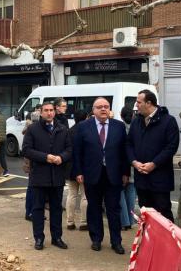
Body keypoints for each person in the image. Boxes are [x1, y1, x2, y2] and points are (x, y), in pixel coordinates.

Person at [73, 97, 130, 255]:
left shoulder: (119, 126)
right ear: (93, 110)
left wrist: (126, 172)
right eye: (100, 107)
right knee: (94, 208)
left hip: (114, 174)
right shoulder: (84, 127)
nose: (103, 109)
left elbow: (124, 152)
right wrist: (78, 172)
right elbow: (77, 151)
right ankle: (96, 239)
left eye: (106, 106)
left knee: (114, 209)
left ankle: (116, 241)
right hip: (92, 174)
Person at [23, 102, 72, 250]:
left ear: (55, 112)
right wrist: (46, 157)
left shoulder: (63, 129)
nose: (49, 113)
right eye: (46, 110)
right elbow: (26, 150)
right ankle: (39, 238)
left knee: (56, 209)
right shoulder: (33, 129)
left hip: (57, 176)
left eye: (51, 110)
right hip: (39, 176)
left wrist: (61, 157)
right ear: (41, 112)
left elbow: (70, 149)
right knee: (38, 208)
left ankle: (57, 237)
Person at [127, 89, 180, 222]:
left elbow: (171, 147)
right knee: (145, 214)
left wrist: (154, 164)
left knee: (163, 215)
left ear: (149, 103)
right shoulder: (136, 121)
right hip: (141, 178)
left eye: (139, 102)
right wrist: (134, 162)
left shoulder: (168, 121)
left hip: (160, 179)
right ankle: (148, 242)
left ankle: (167, 243)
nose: (136, 105)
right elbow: (128, 144)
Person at [66, 109, 88, 231]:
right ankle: (84, 222)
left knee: (72, 194)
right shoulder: (86, 130)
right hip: (84, 167)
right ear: (85, 117)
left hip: (70, 167)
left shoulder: (69, 131)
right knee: (85, 196)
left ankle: (70, 222)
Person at [119, 106, 136, 231]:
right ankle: (130, 220)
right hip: (135, 164)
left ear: (121, 116)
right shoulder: (137, 128)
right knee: (131, 193)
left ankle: (124, 221)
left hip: (122, 165)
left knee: (119, 194)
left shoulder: (119, 129)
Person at [23, 106, 41, 221]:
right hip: (33, 165)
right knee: (32, 189)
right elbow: (29, 150)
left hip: (33, 164)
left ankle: (33, 212)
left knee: (36, 190)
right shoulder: (32, 131)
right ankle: (29, 212)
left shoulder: (31, 130)